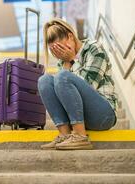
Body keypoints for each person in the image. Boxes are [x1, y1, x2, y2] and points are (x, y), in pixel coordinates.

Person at [38, 18, 118, 150]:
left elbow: (89, 84)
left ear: (70, 36)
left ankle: (80, 136)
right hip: (81, 115)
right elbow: (65, 96)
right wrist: (67, 62)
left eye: (60, 48)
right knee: (44, 80)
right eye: (55, 51)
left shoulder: (94, 48)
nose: (59, 54)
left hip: (103, 114)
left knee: (62, 76)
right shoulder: (63, 61)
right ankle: (65, 135)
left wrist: (72, 60)